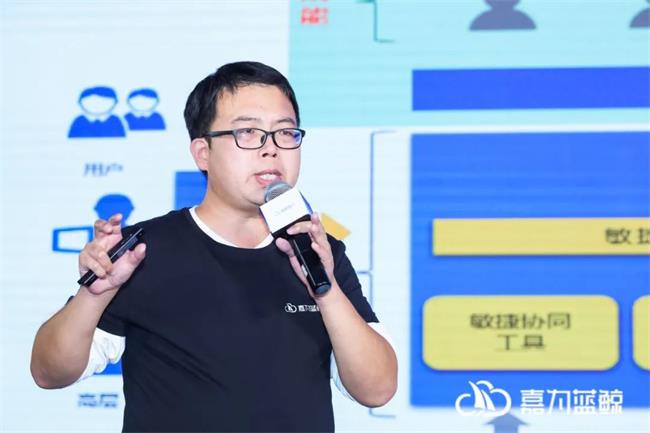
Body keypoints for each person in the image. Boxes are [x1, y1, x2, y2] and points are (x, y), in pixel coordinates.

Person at [31, 61, 397, 432]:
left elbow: (377, 389)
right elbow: (49, 372)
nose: (271, 149)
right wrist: (93, 296)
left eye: (285, 133)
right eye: (248, 132)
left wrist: (326, 291)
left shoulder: (318, 252)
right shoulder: (142, 251)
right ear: (202, 152)